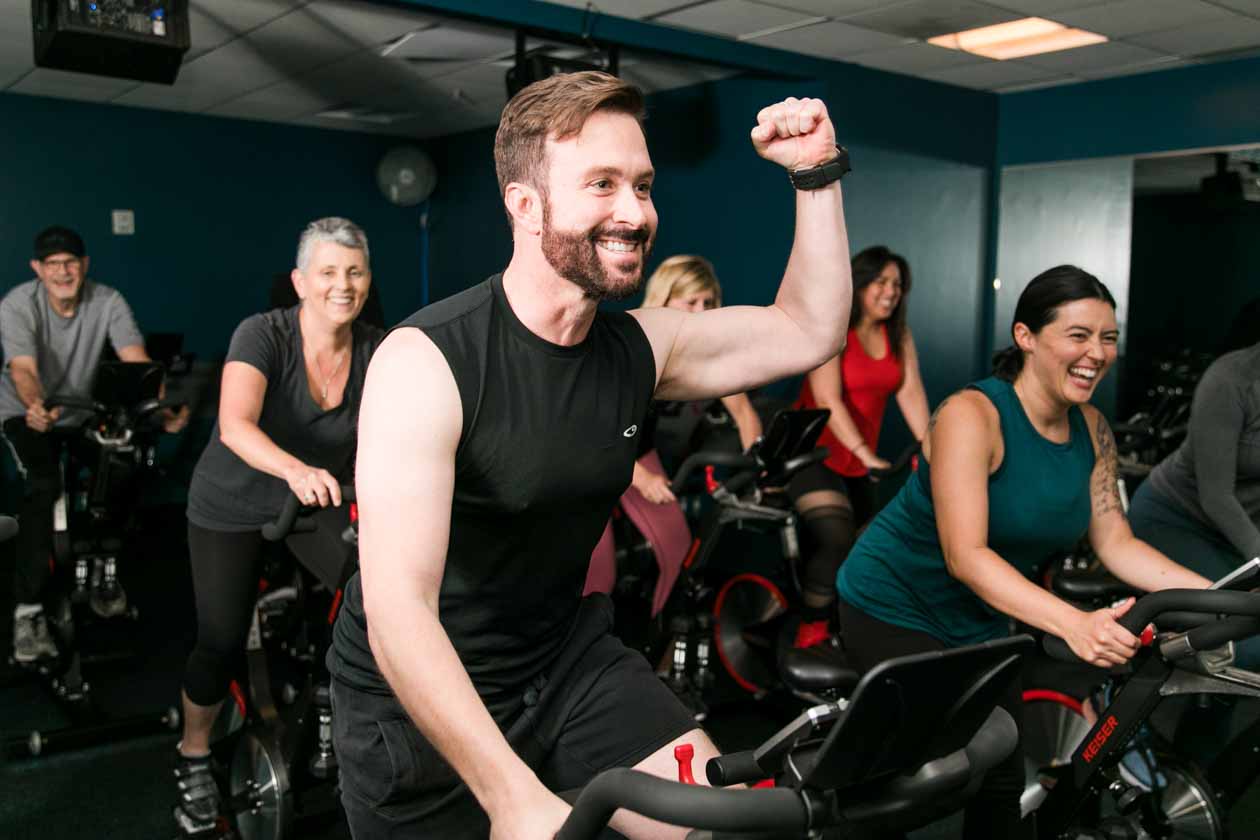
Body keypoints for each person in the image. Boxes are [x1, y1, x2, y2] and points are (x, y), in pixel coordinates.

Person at [329, 71, 852, 839]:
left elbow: (809, 328)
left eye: (642, 186)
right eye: (602, 185)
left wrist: (816, 173)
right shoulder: (426, 362)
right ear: (525, 206)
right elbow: (400, 615)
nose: (635, 212)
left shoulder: (642, 345)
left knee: (716, 828)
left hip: (563, 661)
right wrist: (510, 795)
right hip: (418, 698)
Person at [834, 265, 1211, 838]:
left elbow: (1117, 542)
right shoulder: (971, 415)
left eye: (1108, 337)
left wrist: (1214, 596)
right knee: (917, 785)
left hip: (982, 620)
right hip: (892, 604)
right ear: (1026, 337)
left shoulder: (1092, 428)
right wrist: (1076, 624)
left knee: (1000, 778)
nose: (1097, 353)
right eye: (1078, 335)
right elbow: (967, 555)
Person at [173, 217, 384, 838]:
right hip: (233, 505)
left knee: (371, 602)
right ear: (300, 281)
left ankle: (328, 707)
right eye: (327, 272)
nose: (341, 285)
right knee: (220, 637)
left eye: (354, 271)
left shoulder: (377, 348)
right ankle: (192, 755)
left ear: (368, 279)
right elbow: (237, 424)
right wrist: (295, 470)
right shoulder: (262, 334)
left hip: (315, 504)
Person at [0, 225, 189, 665]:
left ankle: (105, 572)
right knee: (43, 487)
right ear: (38, 269)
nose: (63, 272)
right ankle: (27, 612)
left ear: (84, 266)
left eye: (70, 263)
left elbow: (136, 361)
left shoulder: (108, 301)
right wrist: (35, 404)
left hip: (81, 410)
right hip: (25, 411)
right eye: (53, 265)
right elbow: (23, 369)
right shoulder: (16, 305)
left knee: (123, 464)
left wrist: (160, 409)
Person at [583, 255, 762, 618]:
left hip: (640, 451)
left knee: (677, 549)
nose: (700, 311)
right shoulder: (632, 344)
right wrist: (639, 476)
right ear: (663, 301)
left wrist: (759, 466)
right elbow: (590, 429)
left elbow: (744, 414)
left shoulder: (707, 355)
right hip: (594, 455)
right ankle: (581, 659)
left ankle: (655, 648)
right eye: (690, 301)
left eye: (708, 303)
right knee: (599, 570)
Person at [789, 245, 929, 648]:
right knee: (836, 538)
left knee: (872, 552)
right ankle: (810, 631)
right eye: (880, 282)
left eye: (897, 284)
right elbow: (827, 399)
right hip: (812, 455)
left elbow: (913, 393)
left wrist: (931, 448)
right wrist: (865, 453)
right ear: (860, 284)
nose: (890, 291)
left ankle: (843, 631)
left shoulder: (898, 335)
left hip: (857, 464)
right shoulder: (833, 327)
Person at [1129, 340, 1260, 666]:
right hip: (1175, 518)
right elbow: (1216, 496)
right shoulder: (1232, 379)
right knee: (1246, 640)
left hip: (1238, 532)